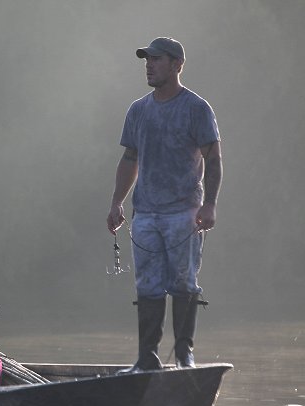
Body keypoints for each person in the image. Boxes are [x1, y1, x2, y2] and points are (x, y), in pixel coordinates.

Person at [106, 37, 222, 372]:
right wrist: (117, 202)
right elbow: (130, 158)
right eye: (147, 60)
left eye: (156, 60)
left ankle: (185, 355)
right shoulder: (138, 110)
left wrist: (210, 205)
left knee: (184, 282)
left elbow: (213, 159)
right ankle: (147, 359)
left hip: (184, 213)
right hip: (146, 214)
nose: (149, 65)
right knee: (148, 286)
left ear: (176, 65)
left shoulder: (196, 108)